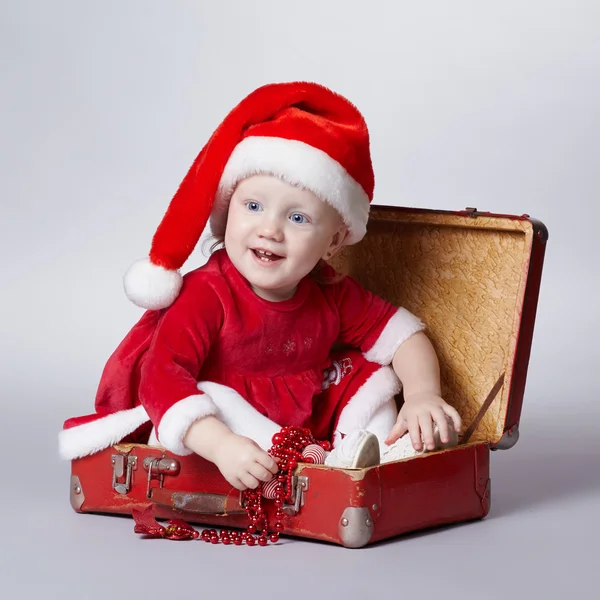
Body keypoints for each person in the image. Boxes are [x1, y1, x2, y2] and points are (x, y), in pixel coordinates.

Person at [59, 81, 461, 492]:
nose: (270, 230)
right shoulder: (208, 294)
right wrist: (220, 445)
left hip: (306, 421)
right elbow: (160, 377)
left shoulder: (330, 291)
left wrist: (422, 394)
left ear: (334, 241)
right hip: (231, 436)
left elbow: (403, 337)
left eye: (298, 218)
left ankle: (374, 452)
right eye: (253, 206)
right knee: (211, 397)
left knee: (373, 378)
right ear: (226, 209)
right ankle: (301, 461)